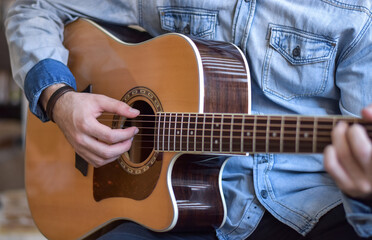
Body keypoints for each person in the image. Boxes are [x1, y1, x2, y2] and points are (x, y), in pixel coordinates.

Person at [4, 0, 372, 239]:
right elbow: (34, 7)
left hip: (301, 209)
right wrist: (60, 100)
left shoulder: (357, 12)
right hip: (162, 205)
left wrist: (362, 188)